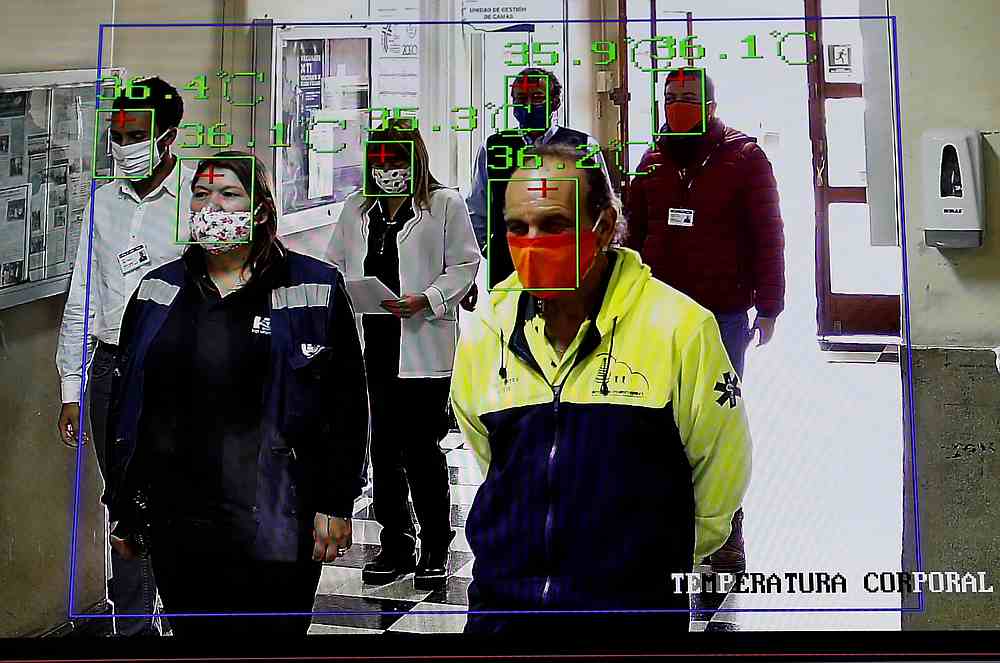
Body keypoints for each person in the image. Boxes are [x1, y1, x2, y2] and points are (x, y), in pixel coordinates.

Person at [450, 143, 752, 635]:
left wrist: (654, 558)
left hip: (629, 617)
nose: (532, 242)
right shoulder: (487, 329)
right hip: (503, 612)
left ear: (605, 226)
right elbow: (491, 459)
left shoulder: (679, 328)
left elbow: (721, 471)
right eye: (516, 227)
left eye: (553, 224)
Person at [101, 151, 369, 638]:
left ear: (261, 210)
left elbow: (345, 406)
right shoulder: (157, 290)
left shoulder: (313, 286)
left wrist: (336, 503)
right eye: (201, 195)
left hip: (277, 513)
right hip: (182, 517)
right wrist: (127, 506)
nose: (212, 207)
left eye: (228, 194)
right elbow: (134, 409)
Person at [625, 68, 785, 574]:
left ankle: (725, 535)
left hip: (723, 314)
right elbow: (631, 234)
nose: (677, 106)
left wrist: (771, 304)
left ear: (711, 105)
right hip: (658, 313)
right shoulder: (650, 161)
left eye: (688, 98)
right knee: (662, 420)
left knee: (717, 424)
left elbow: (768, 233)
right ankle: (667, 527)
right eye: (670, 98)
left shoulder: (744, 157)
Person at [55, 76, 189, 637]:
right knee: (127, 507)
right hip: (113, 371)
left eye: (137, 134)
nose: (123, 143)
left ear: (168, 136)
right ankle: (132, 628)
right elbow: (83, 293)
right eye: (117, 132)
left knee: (180, 503)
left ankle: (186, 619)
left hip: (179, 375)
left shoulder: (198, 198)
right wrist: (71, 386)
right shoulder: (103, 202)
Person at [327, 119, 479, 590]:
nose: (388, 170)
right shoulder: (357, 209)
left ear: (415, 160)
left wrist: (428, 298)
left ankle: (436, 541)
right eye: (380, 160)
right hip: (372, 338)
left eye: (397, 160)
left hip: (422, 336)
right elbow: (335, 263)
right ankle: (396, 543)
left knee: (421, 448)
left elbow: (466, 264)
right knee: (383, 449)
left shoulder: (444, 204)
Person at [464, 67, 613, 298]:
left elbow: (604, 204)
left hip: (568, 261)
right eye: (521, 99)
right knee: (509, 328)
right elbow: (476, 207)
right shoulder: (493, 147)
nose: (529, 105)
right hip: (509, 263)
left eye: (538, 97)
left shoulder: (583, 145)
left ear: (555, 103)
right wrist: (490, 249)